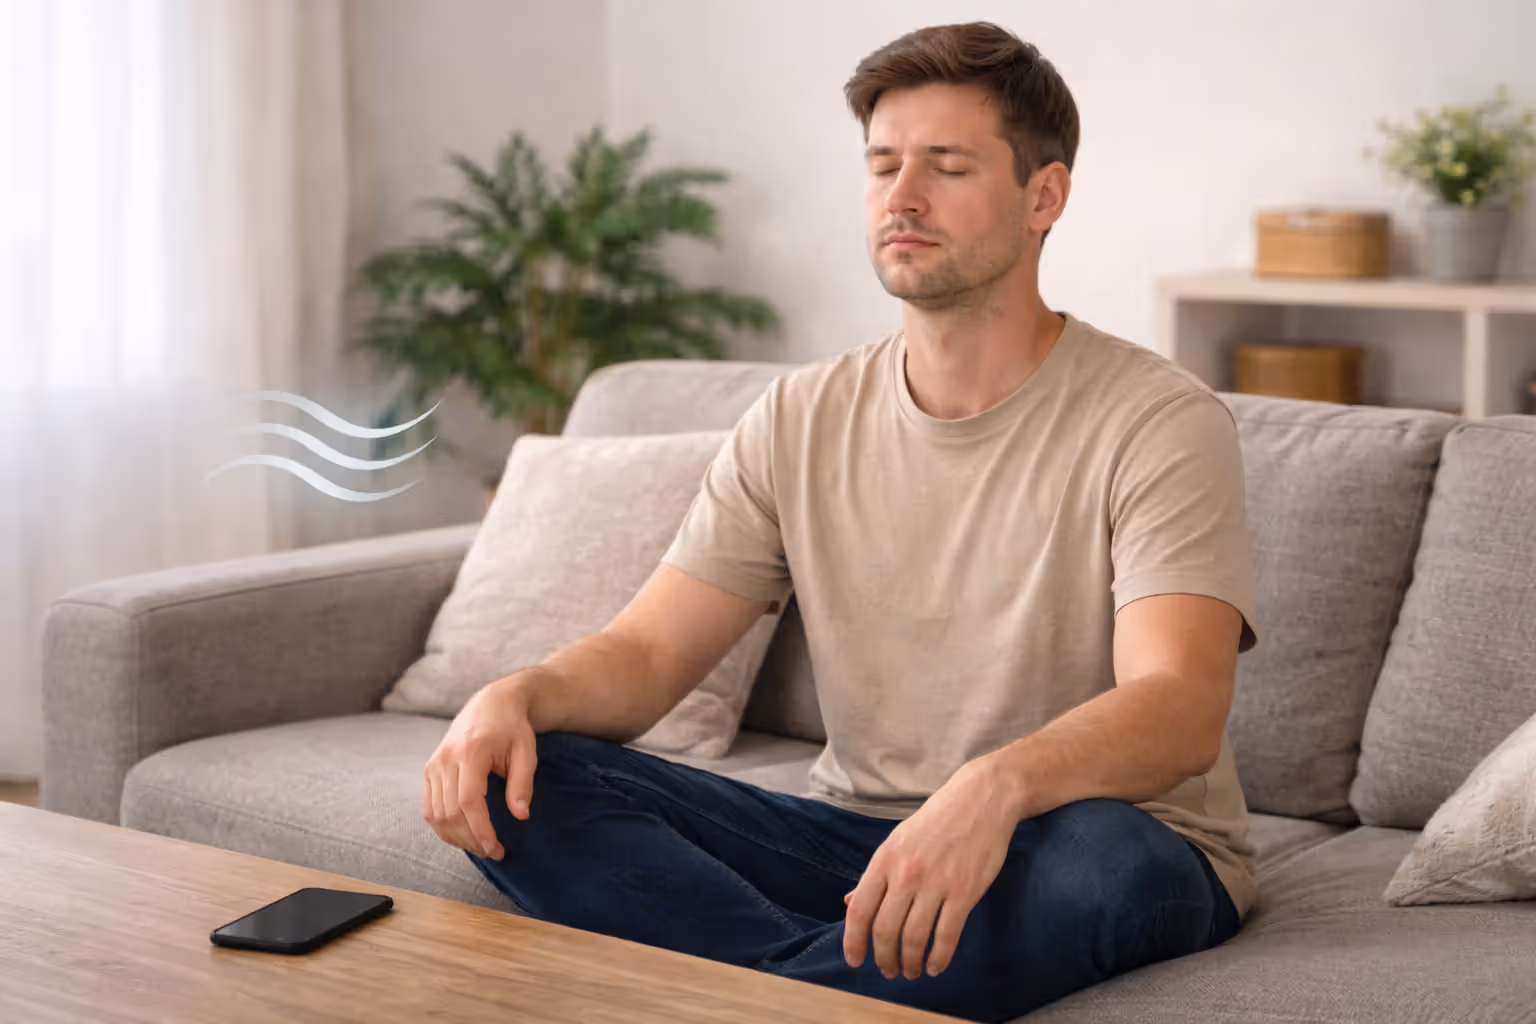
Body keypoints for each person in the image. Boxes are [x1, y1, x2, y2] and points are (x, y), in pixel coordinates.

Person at [422, 20, 1261, 1023]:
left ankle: (747, 996)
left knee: (1109, 860)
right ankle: (808, 990)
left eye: (946, 167)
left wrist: (992, 789)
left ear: (1045, 196)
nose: (900, 198)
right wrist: (515, 694)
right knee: (533, 777)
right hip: (854, 845)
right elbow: (649, 653)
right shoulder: (799, 415)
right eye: (882, 166)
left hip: (1091, 838)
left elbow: (1178, 703)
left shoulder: (1157, 419)